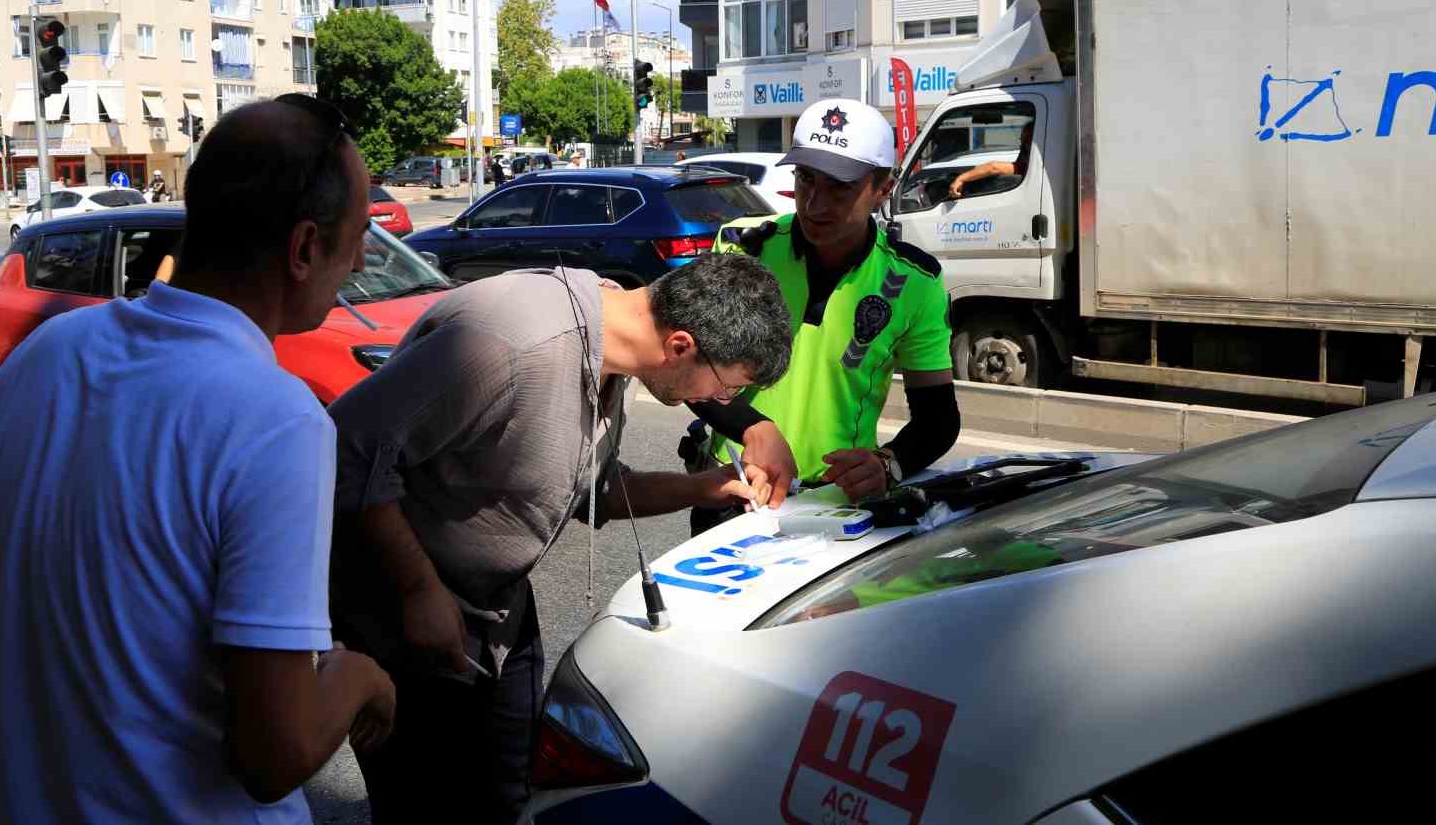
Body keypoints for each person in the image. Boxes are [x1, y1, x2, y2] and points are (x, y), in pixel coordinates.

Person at [0, 95, 396, 824]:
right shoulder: (277, 419)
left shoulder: (46, 355)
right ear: (303, 247)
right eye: (356, 240)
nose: (357, 262)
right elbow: (272, 755)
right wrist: (360, 680)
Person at [328, 251, 793, 823]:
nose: (721, 404)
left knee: (514, 798)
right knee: (428, 806)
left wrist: (704, 487)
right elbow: (347, 448)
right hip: (406, 621)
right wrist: (417, 592)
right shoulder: (511, 341)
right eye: (726, 389)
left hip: (496, 617)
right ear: (680, 346)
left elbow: (588, 488)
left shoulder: (613, 351)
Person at [686, 97, 962, 534]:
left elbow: (938, 418)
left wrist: (888, 465)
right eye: (806, 179)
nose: (815, 203)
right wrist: (753, 428)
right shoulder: (742, 249)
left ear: (882, 189)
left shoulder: (914, 281)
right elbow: (688, 370)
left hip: (838, 509)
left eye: (840, 187)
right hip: (735, 492)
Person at [948, 121, 1034, 199]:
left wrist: (960, 179)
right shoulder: (1029, 166)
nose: (1020, 141)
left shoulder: (1028, 167)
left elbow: (994, 168)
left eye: (1024, 139)